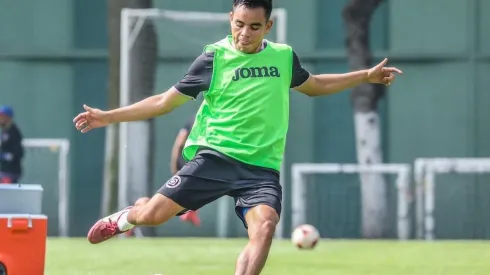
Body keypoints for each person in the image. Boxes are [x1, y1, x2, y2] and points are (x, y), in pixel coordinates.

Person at [73, 0, 402, 273]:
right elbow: (162, 103)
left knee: (266, 227)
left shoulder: (283, 57)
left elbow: (314, 86)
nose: (245, 33)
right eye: (239, 24)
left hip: (261, 169)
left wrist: (366, 75)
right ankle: (126, 217)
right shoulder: (212, 59)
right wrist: (109, 116)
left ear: (268, 27)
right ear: (231, 18)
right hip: (213, 158)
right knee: (152, 216)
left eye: (254, 26)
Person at [170, 114, 201, 227]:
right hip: (188, 162)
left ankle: (191, 211)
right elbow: (179, 141)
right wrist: (174, 165)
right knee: (173, 197)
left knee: (194, 190)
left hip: (194, 162)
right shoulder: (196, 118)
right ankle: (138, 209)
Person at [0, 105, 24, 184]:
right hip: (4, 170)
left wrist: (7, 156)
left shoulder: (14, 132)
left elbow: (19, 153)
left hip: (11, 172)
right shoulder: (5, 131)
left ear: (8, 118)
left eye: (2, 116)